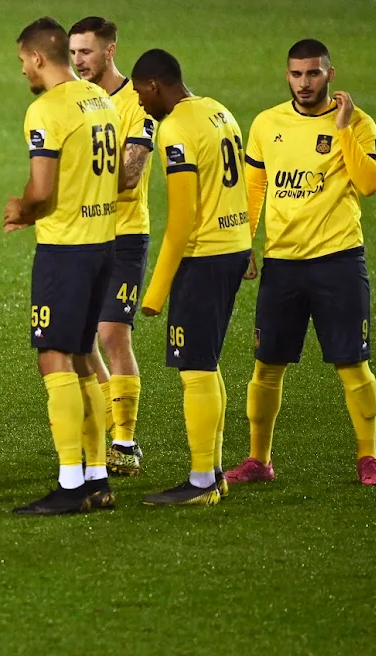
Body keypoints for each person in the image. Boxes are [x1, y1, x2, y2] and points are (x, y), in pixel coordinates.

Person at [226, 39, 376, 487]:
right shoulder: (266, 124)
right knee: (266, 365)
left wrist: (342, 128)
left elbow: (371, 182)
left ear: (330, 75)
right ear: (287, 76)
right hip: (283, 263)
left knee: (352, 364)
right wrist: (244, 241)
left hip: (338, 260)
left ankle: (369, 456)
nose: (304, 82)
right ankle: (259, 460)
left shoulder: (358, 123)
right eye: (296, 74)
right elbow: (255, 188)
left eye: (313, 73)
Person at [3, 17, 122, 516]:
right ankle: (96, 477)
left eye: (22, 62)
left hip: (66, 249)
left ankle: (71, 483)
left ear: (36, 57)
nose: (23, 71)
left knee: (54, 358)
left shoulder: (46, 110)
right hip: (104, 244)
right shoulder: (104, 102)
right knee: (80, 358)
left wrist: (22, 210)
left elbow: (42, 188)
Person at [133, 49, 251, 507]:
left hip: (203, 257)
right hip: (233, 248)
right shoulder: (219, 111)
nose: (141, 103)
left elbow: (182, 218)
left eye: (143, 93)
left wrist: (157, 290)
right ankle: (214, 472)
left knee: (195, 368)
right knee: (208, 363)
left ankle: (201, 480)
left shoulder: (176, 127)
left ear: (156, 86)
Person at [68, 17, 155, 476]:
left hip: (124, 235)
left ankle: (125, 441)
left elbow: (130, 174)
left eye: (86, 51)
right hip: (83, 236)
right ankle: (107, 430)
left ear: (110, 50)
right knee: (81, 343)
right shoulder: (77, 102)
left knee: (111, 333)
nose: (78, 60)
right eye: (74, 52)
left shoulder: (137, 105)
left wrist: (72, 177)